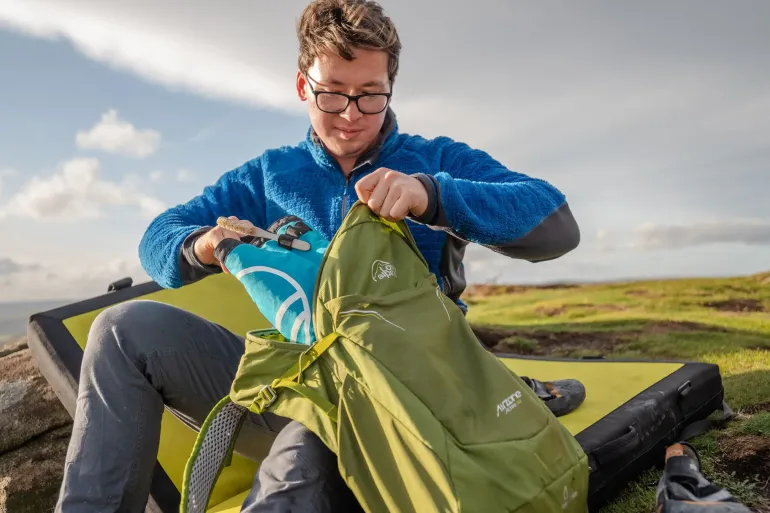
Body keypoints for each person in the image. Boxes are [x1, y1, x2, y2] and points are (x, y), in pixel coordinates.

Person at [54, 1, 581, 512]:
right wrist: (205, 245)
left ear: (390, 88)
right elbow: (158, 235)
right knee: (123, 327)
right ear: (303, 85)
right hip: (295, 379)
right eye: (332, 95)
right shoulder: (269, 175)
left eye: (370, 95)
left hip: (408, 398)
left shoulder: (435, 158)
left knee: (298, 462)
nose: (352, 116)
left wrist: (434, 195)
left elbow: (556, 223)